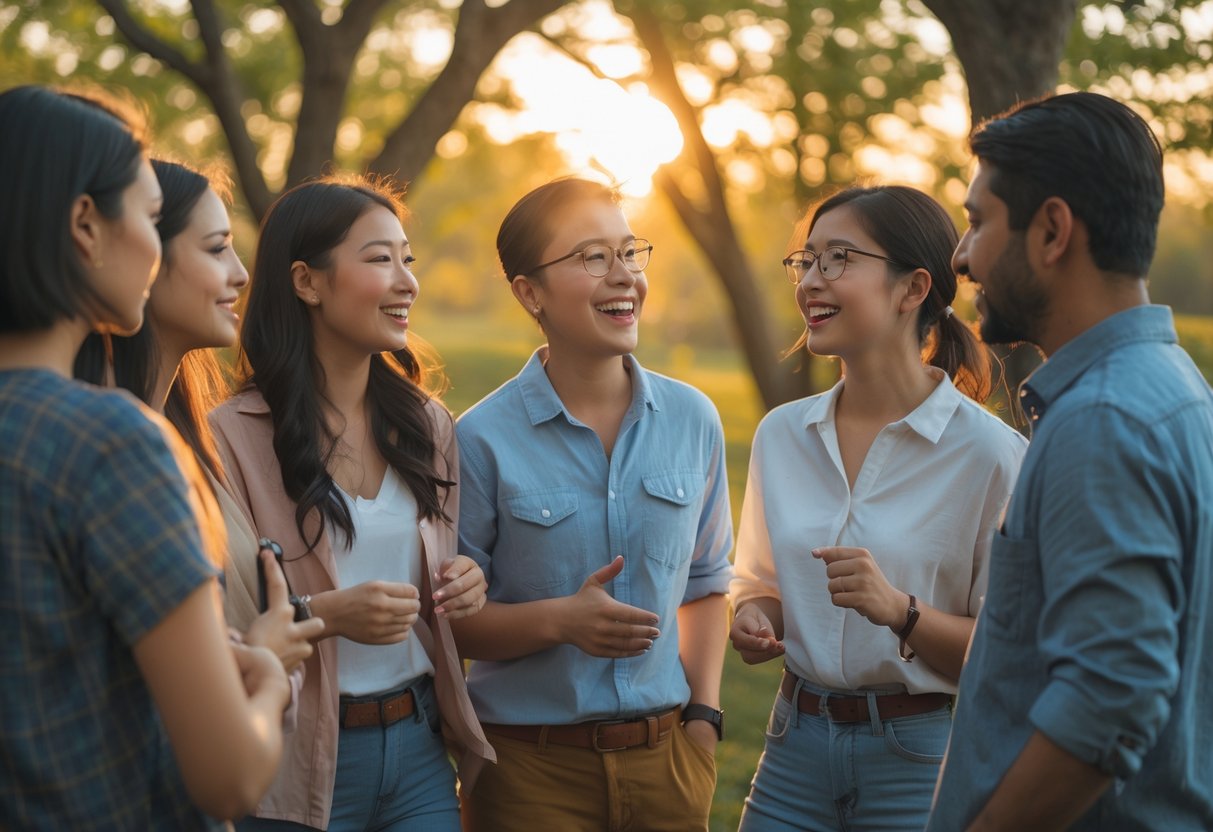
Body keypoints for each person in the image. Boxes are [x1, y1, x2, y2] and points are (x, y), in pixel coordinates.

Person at [0, 85, 289, 829]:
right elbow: (229, 778)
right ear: (85, 225)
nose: (155, 253)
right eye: (151, 216)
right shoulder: (109, 442)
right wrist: (265, 681)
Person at [928, 93, 1213, 831]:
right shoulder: (1175, 390)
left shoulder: (1103, 419)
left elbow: (1109, 694)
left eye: (978, 221)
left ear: (1052, 230)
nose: (961, 257)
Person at [729, 185, 1027, 831]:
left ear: (912, 287)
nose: (810, 279)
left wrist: (901, 611)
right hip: (791, 747)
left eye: (837, 258)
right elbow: (758, 585)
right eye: (805, 261)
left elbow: (1009, 652)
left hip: (920, 759)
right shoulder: (781, 435)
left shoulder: (991, 456)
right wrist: (753, 615)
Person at [209, 175, 494, 831]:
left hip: (419, 749)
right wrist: (329, 615)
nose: (407, 282)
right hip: (294, 758)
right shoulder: (232, 437)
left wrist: (465, 583)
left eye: (407, 259)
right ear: (306, 282)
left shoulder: (428, 425)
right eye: (379, 259)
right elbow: (222, 625)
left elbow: (438, 574)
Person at [453, 176, 733, 831]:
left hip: (667, 764)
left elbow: (705, 581)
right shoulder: (478, 439)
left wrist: (705, 721)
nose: (623, 276)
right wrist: (560, 620)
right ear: (530, 293)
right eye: (591, 257)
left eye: (628, 252)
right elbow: (451, 624)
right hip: (527, 774)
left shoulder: (693, 419)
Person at [75, 158, 325, 666]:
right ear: (141, 255)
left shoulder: (186, 432)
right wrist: (264, 653)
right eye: (216, 248)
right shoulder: (114, 450)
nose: (241, 272)